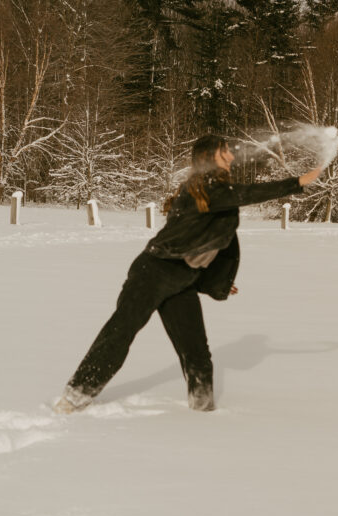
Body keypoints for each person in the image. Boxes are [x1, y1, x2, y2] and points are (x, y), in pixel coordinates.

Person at [54, 135, 323, 414]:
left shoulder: (214, 193)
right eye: (224, 153)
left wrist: (215, 280)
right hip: (153, 272)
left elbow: (206, 242)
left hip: (182, 280)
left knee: (196, 351)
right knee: (120, 333)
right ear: (208, 157)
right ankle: (74, 397)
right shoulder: (205, 189)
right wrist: (298, 182)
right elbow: (246, 194)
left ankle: (202, 409)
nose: (231, 157)